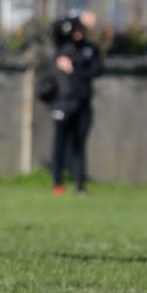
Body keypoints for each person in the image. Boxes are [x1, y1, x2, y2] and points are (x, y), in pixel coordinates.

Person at [49, 12, 103, 195]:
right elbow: (55, 27)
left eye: (82, 29)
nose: (79, 32)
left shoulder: (89, 49)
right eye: (76, 28)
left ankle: (80, 185)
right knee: (59, 144)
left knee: (79, 145)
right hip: (63, 102)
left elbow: (97, 70)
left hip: (83, 103)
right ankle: (58, 184)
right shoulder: (61, 47)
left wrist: (74, 68)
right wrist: (79, 17)